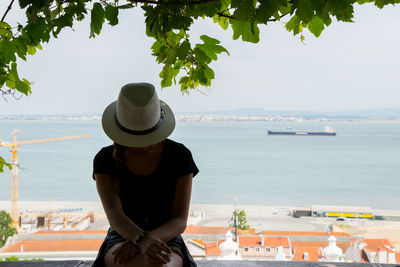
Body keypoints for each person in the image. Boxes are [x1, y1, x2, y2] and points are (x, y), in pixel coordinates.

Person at [92, 83, 199, 267]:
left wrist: (147, 241)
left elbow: (180, 220)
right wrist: (139, 239)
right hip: (121, 235)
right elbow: (114, 214)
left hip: (166, 236)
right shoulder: (104, 159)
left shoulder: (180, 156)